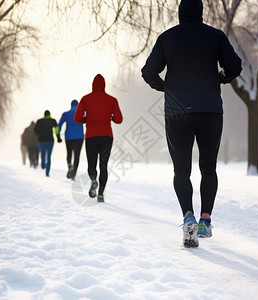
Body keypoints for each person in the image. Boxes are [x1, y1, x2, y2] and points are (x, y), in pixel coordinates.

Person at [141, 0, 242, 248]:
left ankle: (188, 216)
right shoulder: (215, 36)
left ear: (180, 14)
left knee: (181, 170)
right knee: (208, 168)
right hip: (209, 110)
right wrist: (221, 78)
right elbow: (235, 66)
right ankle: (205, 220)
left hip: (177, 112)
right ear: (201, 13)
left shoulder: (167, 38)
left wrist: (165, 87)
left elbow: (148, 72)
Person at [74, 74, 123, 202]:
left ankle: (93, 179)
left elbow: (77, 118)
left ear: (93, 84)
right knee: (103, 165)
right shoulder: (112, 100)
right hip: (107, 136)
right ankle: (101, 194)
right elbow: (119, 119)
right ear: (104, 85)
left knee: (92, 163)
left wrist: (87, 119)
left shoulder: (85, 99)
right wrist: (110, 117)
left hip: (91, 136)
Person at [58, 100, 84, 180]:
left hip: (68, 137)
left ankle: (69, 165)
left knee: (69, 153)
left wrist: (58, 135)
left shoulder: (65, 114)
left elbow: (59, 125)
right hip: (79, 137)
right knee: (77, 155)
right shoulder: (82, 114)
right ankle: (74, 173)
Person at [34, 110, 62, 177]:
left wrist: (39, 133)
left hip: (41, 140)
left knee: (42, 153)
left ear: (44, 114)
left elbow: (35, 130)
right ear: (50, 114)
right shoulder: (53, 121)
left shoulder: (39, 121)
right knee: (49, 156)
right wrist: (58, 137)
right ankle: (47, 172)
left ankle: (43, 164)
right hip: (50, 140)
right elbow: (56, 130)